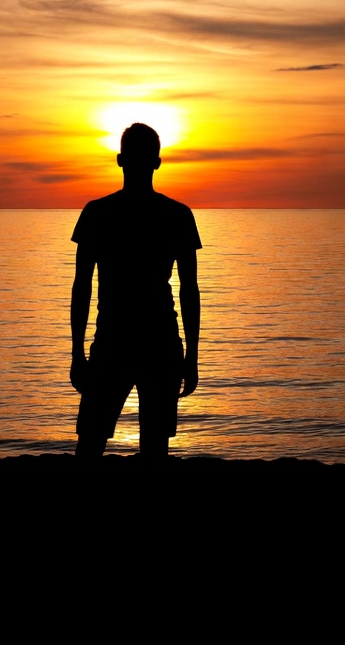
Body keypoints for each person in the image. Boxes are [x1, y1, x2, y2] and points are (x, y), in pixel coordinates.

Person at [70, 122, 201, 459]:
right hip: (155, 342)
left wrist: (76, 352)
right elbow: (189, 290)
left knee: (92, 446)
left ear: (119, 160)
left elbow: (82, 287)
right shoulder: (178, 215)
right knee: (151, 449)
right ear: (158, 162)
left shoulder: (97, 213)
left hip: (117, 341)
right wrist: (192, 356)